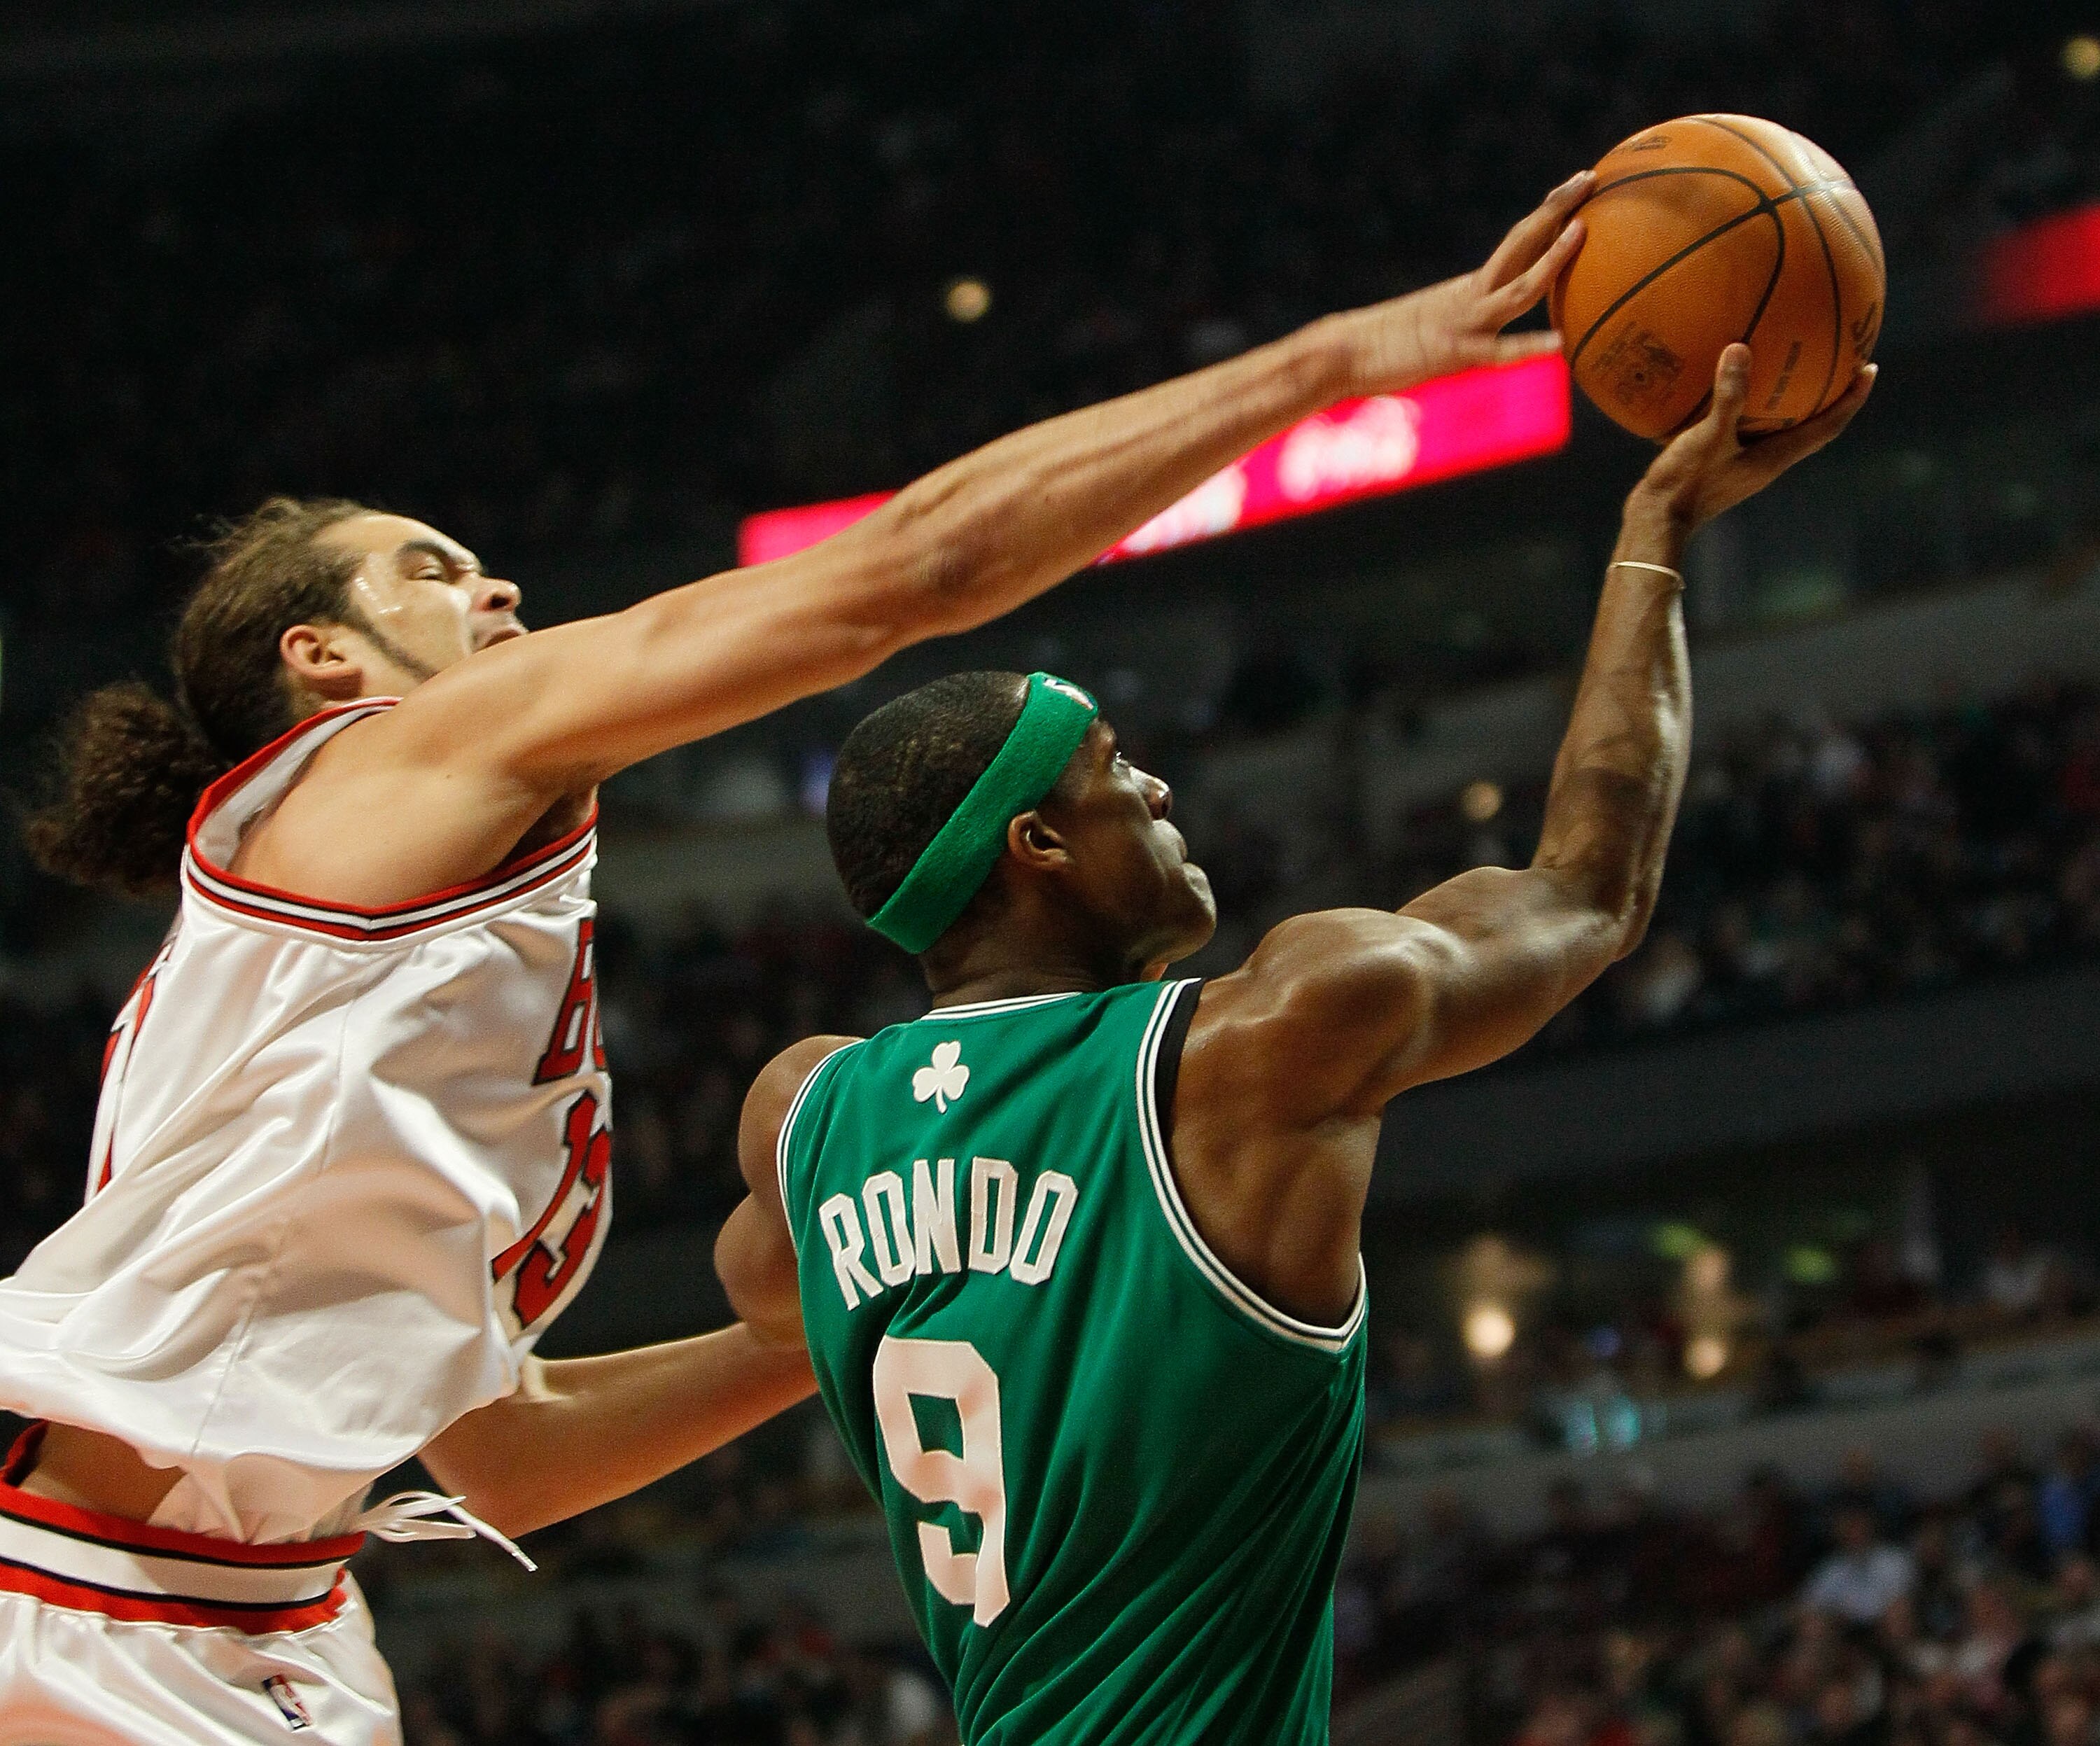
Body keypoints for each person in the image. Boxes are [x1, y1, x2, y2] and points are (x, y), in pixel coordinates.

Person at [0, 173, 1595, 1745]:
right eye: (423, 564)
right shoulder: (376, 769)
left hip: (272, 1623)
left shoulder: (384, 948)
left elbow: (511, 1458)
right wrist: (1323, 364)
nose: (491, 584)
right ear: (323, 658)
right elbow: (915, 574)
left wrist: (839, 1309)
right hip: (82, 1605)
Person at [715, 342, 1875, 1744]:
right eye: (1110, 772)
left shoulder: (807, 1113)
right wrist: (1655, 540)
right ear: (1037, 846)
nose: (1152, 782)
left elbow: (773, 1304)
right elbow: (1586, 892)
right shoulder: (1256, 1044)